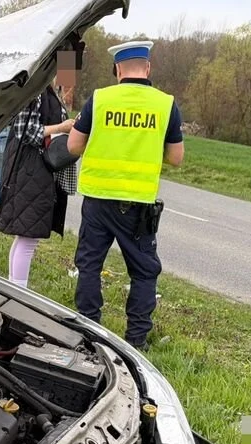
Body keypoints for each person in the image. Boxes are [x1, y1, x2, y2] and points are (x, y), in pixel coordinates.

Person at [65, 40, 185, 349]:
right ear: (147, 68)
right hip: (139, 203)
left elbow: (73, 147)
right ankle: (137, 340)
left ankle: (89, 330)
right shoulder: (165, 104)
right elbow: (176, 157)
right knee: (144, 271)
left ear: (118, 69)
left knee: (90, 264)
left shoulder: (100, 99)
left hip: (98, 199)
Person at [0, 60, 78, 288]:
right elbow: (25, 131)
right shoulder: (35, 89)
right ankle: (18, 291)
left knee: (25, 234)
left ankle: (14, 286)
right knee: (28, 236)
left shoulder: (48, 90)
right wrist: (61, 128)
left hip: (33, 168)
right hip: (29, 168)